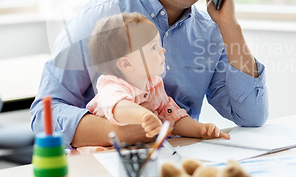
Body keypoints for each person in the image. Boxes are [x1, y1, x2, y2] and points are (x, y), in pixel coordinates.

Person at [31, 0, 269, 149]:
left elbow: (252, 116)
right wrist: (131, 131)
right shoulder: (99, 18)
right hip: (107, 166)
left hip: (181, 168)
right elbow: (45, 115)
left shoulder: (210, 33)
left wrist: (229, 25)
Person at [86, 12, 229, 143]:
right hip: (101, 155)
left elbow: (172, 117)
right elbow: (118, 107)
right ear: (126, 63)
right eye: (153, 47)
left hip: (136, 154)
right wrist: (144, 116)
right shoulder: (111, 86)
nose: (163, 50)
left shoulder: (154, 85)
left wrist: (200, 129)